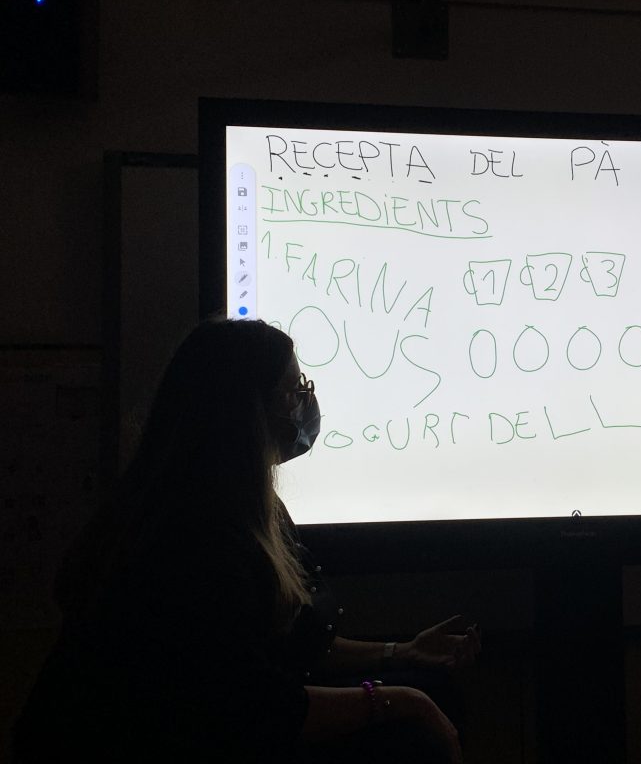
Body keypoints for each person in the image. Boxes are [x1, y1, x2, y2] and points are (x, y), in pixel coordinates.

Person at [14, 317, 480, 764]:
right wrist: (404, 701)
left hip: (224, 725)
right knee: (413, 733)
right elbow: (258, 709)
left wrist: (401, 653)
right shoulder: (195, 536)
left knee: (429, 688)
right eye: (294, 392)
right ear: (244, 415)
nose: (308, 402)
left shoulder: (243, 504)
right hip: (151, 746)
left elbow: (296, 645)